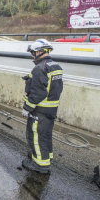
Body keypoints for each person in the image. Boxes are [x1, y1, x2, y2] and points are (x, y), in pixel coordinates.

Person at [21, 39, 63, 174]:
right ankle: (46, 156)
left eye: (33, 52)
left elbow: (38, 92)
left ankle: (40, 165)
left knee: (36, 136)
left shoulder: (40, 68)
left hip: (40, 110)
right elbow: (52, 87)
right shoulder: (55, 66)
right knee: (45, 134)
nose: (32, 55)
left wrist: (27, 108)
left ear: (39, 51)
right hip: (51, 108)